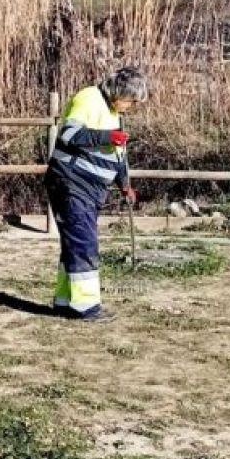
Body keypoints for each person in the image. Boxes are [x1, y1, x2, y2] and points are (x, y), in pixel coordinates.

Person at [45, 66, 148, 321]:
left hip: (89, 189)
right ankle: (86, 307)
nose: (131, 106)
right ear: (118, 92)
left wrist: (124, 184)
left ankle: (64, 300)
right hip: (70, 183)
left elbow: (118, 156)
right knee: (84, 243)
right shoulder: (88, 98)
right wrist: (106, 136)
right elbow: (68, 134)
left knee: (76, 243)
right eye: (131, 100)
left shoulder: (113, 111)